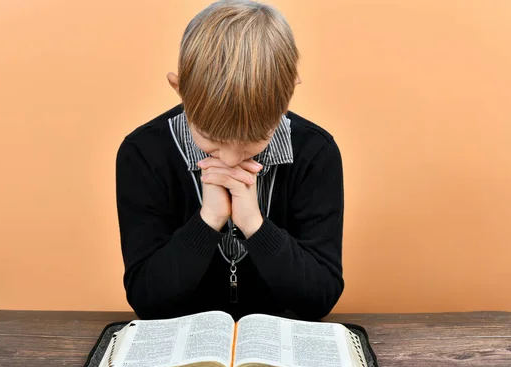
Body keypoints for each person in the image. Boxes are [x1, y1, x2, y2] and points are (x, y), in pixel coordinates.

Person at [116, 0, 344, 321]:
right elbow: (147, 301)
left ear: (289, 94)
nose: (232, 159)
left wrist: (255, 225)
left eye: (256, 139)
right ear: (180, 90)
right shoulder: (142, 154)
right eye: (212, 136)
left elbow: (320, 297)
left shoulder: (316, 153)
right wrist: (208, 219)